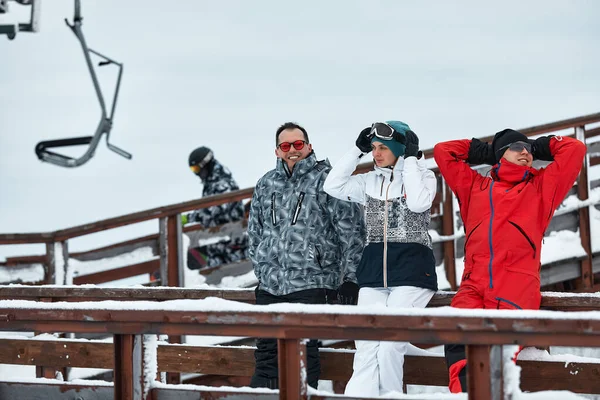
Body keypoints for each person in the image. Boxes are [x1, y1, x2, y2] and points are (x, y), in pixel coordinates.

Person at [433, 129, 586, 393]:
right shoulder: (474, 186)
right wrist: (481, 150)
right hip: (473, 285)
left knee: (497, 362)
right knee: (458, 344)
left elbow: (575, 150)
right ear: (501, 154)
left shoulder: (540, 187)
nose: (526, 152)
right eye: (518, 147)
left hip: (515, 289)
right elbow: (443, 152)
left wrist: (539, 147)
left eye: (527, 149)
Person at [323, 120, 438, 396]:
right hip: (374, 273)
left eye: (383, 147)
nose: (376, 153)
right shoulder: (369, 181)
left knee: (389, 346)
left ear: (400, 147)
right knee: (365, 346)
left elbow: (418, 203)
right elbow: (332, 185)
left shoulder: (423, 175)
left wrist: (410, 159)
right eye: (373, 147)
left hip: (412, 272)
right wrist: (355, 151)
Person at [247, 122, 365, 389]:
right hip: (271, 286)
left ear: (309, 146)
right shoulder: (266, 183)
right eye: (286, 146)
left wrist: (350, 278)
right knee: (266, 360)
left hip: (313, 283)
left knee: (302, 358)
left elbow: (353, 233)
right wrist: (263, 269)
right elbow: (255, 232)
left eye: (298, 144)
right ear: (277, 151)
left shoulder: (328, 180)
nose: (292, 150)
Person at [183, 146, 246, 270]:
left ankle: (194, 280)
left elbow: (214, 209)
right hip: (219, 235)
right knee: (189, 250)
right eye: (192, 169)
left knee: (190, 255)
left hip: (231, 239)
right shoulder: (213, 181)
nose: (196, 173)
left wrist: (189, 218)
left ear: (205, 164)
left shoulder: (222, 183)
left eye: (196, 168)